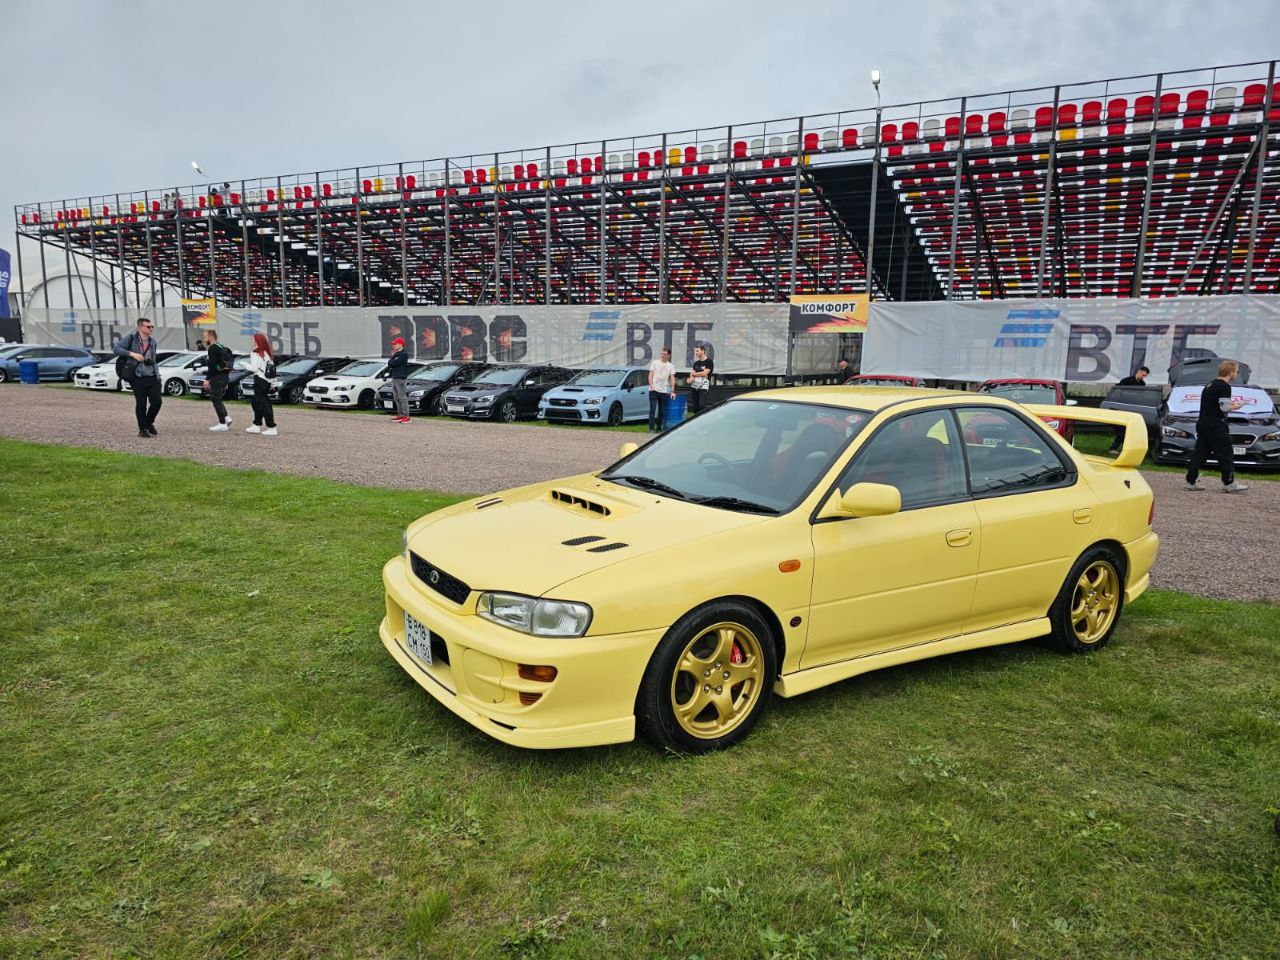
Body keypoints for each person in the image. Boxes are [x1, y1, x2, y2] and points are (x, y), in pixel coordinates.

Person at [1186, 359, 1247, 493]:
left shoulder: (1210, 384)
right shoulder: (1224, 386)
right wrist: (1236, 406)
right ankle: (1229, 483)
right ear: (1230, 372)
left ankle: (1191, 481)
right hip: (1216, 425)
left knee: (1200, 452)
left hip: (1203, 423)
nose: (1237, 374)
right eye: (1236, 371)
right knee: (1226, 452)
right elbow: (1224, 407)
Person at [113, 317, 162, 438]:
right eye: (148, 327)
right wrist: (132, 354)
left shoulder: (153, 341)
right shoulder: (131, 338)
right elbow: (116, 349)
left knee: (157, 402)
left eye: (152, 327)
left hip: (152, 376)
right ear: (140, 327)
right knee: (141, 404)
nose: (151, 329)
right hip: (138, 376)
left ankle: (149, 422)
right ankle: (142, 429)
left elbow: (153, 358)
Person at [1108, 365, 1151, 453]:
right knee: (1122, 430)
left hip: (1133, 409)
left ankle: (1123, 449)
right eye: (1143, 375)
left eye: (1145, 376)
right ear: (1138, 371)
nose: (1143, 377)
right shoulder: (1126, 381)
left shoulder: (1142, 384)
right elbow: (1118, 393)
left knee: (1129, 431)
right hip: (1122, 408)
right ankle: (1114, 448)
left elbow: (1141, 397)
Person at [201, 328, 235, 431]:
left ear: (211, 337)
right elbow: (225, 366)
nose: (204, 339)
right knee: (218, 399)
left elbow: (212, 366)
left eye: (205, 337)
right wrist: (226, 381)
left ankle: (222, 423)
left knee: (215, 399)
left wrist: (207, 379)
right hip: (223, 377)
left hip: (216, 377)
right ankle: (226, 418)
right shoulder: (221, 347)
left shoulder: (212, 348)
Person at [245, 333, 279, 436]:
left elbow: (253, 368)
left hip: (260, 379)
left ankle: (271, 427)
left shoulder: (256, 353)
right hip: (266, 381)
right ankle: (256, 424)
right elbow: (272, 370)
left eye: (254, 339)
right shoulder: (266, 353)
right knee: (256, 402)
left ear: (257, 341)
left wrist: (243, 364)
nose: (252, 341)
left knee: (263, 403)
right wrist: (274, 384)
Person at [648, 346, 675, 432]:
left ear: (669, 355)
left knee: (662, 411)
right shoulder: (655, 363)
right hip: (653, 390)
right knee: (652, 409)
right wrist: (651, 385)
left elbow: (672, 378)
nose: (663, 355)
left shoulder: (670, 366)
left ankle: (659, 428)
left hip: (663, 390)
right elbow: (650, 374)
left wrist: (672, 391)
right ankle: (651, 428)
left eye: (665, 354)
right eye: (662, 354)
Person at [387, 336, 412, 423]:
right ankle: (400, 415)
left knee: (402, 397)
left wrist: (393, 361)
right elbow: (389, 363)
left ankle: (406, 416)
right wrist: (393, 360)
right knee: (396, 397)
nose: (393, 345)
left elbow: (395, 363)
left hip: (400, 378)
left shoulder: (404, 354)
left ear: (400, 344)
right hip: (394, 377)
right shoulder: (396, 354)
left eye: (395, 344)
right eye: (393, 344)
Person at [688, 343, 714, 415]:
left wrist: (695, 374)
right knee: (695, 407)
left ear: (703, 351)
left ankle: (708, 415)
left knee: (701, 405)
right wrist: (691, 378)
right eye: (695, 351)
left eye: (697, 351)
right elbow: (692, 373)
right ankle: (696, 421)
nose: (696, 353)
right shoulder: (696, 363)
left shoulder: (709, 361)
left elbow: (704, 373)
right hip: (694, 386)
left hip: (703, 386)